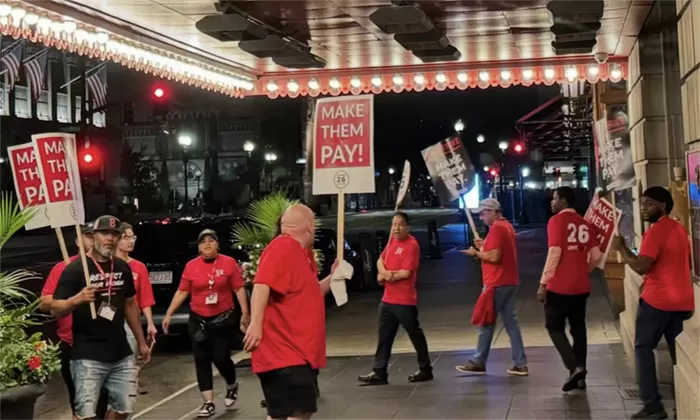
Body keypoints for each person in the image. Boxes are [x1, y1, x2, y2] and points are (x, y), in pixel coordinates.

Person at [244, 204, 349, 420]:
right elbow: (261, 284)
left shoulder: (301, 254)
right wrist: (255, 325)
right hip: (284, 352)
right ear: (309, 227)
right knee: (298, 412)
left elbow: (310, 293)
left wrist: (334, 277)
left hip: (295, 353)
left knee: (288, 413)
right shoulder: (283, 247)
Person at [52, 215, 151, 420]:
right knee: (86, 414)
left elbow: (130, 305)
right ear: (94, 236)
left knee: (124, 408)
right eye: (105, 233)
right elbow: (56, 309)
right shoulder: (76, 269)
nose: (110, 238)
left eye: (115, 234)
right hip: (87, 354)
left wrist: (141, 341)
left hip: (120, 351)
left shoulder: (123, 268)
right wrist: (76, 300)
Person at [612, 186, 694, 420]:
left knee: (643, 348)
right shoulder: (679, 229)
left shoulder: (657, 231)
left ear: (664, 206)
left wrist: (622, 248)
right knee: (677, 355)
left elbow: (641, 265)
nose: (643, 208)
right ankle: (681, 406)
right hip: (682, 301)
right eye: (643, 203)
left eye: (649, 204)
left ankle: (652, 405)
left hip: (658, 301)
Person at [162, 229, 249, 418]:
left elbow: (239, 289)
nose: (207, 244)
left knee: (220, 357)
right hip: (198, 319)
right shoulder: (191, 266)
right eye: (203, 242)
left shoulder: (228, 263)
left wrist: (245, 314)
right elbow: (182, 291)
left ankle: (231, 384)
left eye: (211, 241)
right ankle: (208, 402)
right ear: (199, 247)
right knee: (201, 359)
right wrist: (169, 313)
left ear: (217, 244)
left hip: (223, 318)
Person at [39, 223, 108, 418]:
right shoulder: (63, 268)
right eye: (87, 236)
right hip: (71, 343)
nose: (92, 240)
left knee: (107, 399)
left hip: (105, 342)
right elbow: (44, 303)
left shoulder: (110, 266)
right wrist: (72, 299)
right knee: (80, 400)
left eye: (96, 236)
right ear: (78, 241)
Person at [537, 187, 602, 392]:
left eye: (555, 198)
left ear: (564, 202)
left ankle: (574, 367)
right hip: (581, 286)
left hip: (559, 286)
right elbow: (596, 255)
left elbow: (554, 253)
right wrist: (584, 269)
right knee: (578, 329)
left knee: (554, 326)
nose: (551, 202)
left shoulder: (556, 222)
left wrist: (543, 283)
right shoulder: (585, 224)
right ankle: (580, 375)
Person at [357, 211, 432, 385]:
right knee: (384, 337)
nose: (396, 228)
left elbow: (406, 273)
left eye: (400, 224)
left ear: (407, 227)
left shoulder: (411, 245)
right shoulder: (391, 242)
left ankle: (425, 368)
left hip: (404, 301)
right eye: (393, 224)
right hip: (387, 300)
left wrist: (387, 276)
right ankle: (379, 372)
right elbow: (379, 261)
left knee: (415, 335)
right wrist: (384, 273)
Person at [456, 198, 528, 376]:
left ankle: (478, 360)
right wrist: (484, 246)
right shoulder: (506, 226)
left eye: (483, 213)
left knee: (487, 322)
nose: (481, 217)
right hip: (509, 280)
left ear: (493, 211)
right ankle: (520, 363)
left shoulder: (497, 228)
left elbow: (495, 257)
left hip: (496, 282)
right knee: (511, 324)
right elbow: (497, 250)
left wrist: (476, 253)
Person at [115, 222, 157, 395]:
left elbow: (145, 298)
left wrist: (150, 323)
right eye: (125, 237)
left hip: (131, 320)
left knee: (132, 356)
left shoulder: (139, 267)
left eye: (132, 237)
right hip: (112, 319)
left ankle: (130, 385)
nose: (130, 241)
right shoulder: (108, 264)